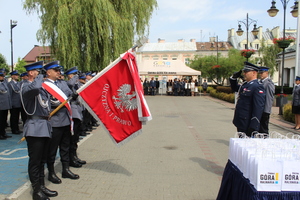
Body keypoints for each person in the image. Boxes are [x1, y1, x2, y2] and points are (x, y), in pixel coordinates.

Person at [21, 61, 58, 199]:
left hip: (45, 126)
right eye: (38, 70)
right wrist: (38, 77)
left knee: (43, 160)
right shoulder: (25, 87)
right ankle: (36, 191)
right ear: (31, 73)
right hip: (34, 127)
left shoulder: (41, 88)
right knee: (35, 161)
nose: (41, 73)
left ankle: (42, 186)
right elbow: (35, 87)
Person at [43, 61, 80, 185]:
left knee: (65, 147)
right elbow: (47, 102)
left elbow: (69, 95)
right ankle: (51, 173)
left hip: (65, 120)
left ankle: (65, 169)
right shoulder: (44, 85)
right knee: (52, 150)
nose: (59, 72)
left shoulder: (62, 83)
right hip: (54, 122)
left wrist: (73, 96)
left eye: (59, 70)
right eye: (56, 70)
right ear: (48, 72)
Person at [230, 62, 265, 137]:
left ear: (254, 73)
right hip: (241, 120)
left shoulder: (257, 86)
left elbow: (258, 107)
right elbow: (235, 88)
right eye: (244, 72)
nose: (244, 74)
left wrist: (254, 124)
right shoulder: (246, 84)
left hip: (248, 122)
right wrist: (233, 79)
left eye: (246, 72)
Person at [65, 67, 86, 167]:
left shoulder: (76, 85)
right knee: (72, 138)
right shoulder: (68, 84)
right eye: (74, 75)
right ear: (70, 75)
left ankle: (74, 156)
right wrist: (76, 76)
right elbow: (70, 84)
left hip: (78, 112)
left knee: (76, 138)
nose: (76, 77)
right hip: (73, 114)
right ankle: (71, 158)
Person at [258, 66, 275, 134]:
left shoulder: (269, 83)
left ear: (267, 73)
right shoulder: (260, 82)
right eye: (260, 73)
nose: (260, 74)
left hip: (264, 110)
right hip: (259, 109)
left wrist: (266, 110)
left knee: (263, 129)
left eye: (262, 73)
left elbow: (269, 98)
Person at [8, 70, 23, 135]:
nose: (17, 76)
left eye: (17, 75)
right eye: (16, 75)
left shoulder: (18, 83)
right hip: (13, 103)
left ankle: (17, 128)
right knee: (13, 117)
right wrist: (10, 104)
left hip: (19, 103)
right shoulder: (10, 84)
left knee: (17, 117)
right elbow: (9, 95)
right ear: (12, 76)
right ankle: (14, 129)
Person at [0, 70, 12, 140]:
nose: (3, 77)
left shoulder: (3, 83)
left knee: (4, 120)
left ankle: (3, 132)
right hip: (0, 105)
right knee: (0, 121)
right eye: (1, 76)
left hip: (5, 105)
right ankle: (0, 134)